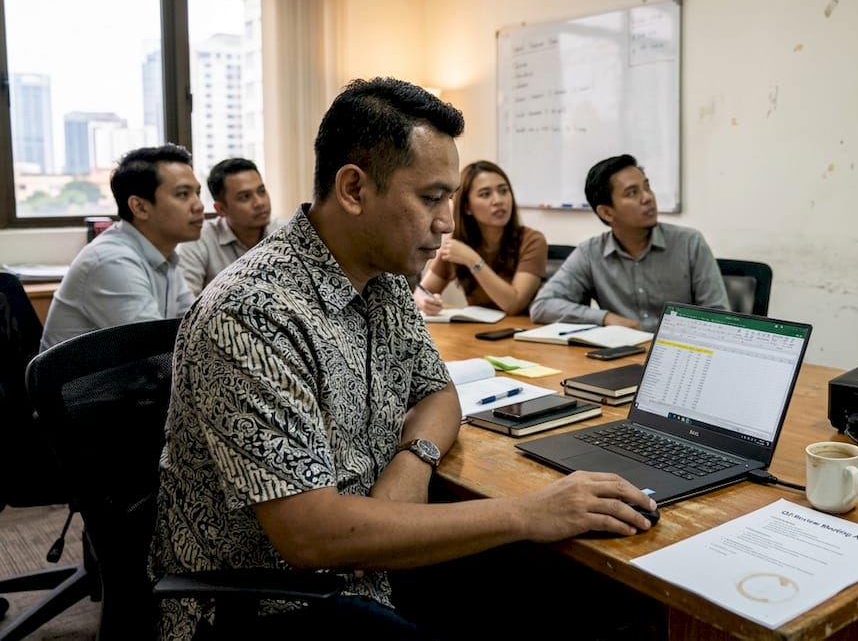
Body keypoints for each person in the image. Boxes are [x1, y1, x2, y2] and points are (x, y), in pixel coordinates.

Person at [148, 77, 656, 639]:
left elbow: (438, 392)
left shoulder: (383, 276)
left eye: (451, 200)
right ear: (353, 189)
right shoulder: (253, 311)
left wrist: (414, 459)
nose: (446, 223)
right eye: (431, 198)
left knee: (591, 600)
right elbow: (311, 538)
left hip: (375, 560)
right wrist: (527, 512)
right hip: (274, 604)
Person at [530, 154, 729, 332]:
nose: (648, 198)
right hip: (622, 359)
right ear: (607, 212)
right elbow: (542, 306)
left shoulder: (689, 244)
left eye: (647, 187)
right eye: (632, 193)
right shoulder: (591, 253)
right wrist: (606, 318)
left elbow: (719, 318)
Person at [39, 144, 204, 351]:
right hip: (92, 383)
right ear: (140, 207)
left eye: (197, 193)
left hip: (132, 379)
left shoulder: (165, 255)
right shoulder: (112, 262)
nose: (199, 205)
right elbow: (152, 353)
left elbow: (195, 330)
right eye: (183, 194)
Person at [413, 160, 547, 316]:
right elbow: (421, 292)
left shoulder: (533, 241)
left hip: (520, 333)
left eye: (503, 191)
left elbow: (514, 304)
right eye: (485, 194)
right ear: (467, 207)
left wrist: (473, 261)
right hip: (477, 334)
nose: (498, 201)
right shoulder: (458, 246)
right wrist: (424, 301)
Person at [178, 157, 283, 297]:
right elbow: (186, 307)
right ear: (221, 209)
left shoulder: (286, 233)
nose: (259, 202)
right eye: (245, 197)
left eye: (261, 191)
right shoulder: (199, 241)